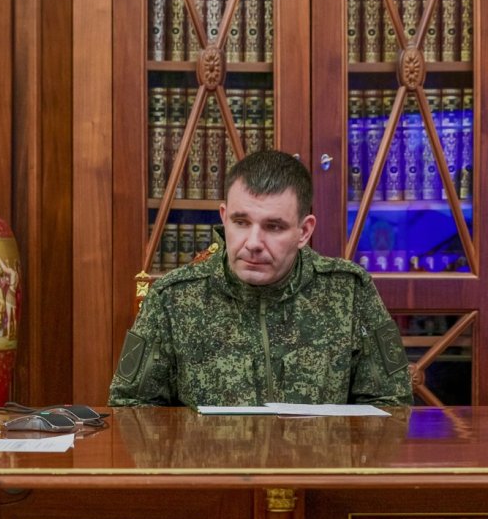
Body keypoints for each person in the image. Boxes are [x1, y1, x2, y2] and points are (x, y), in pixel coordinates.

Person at [109, 150, 413, 408]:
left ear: (304, 231)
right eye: (241, 222)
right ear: (224, 217)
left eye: (274, 227)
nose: (253, 242)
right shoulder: (172, 298)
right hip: (210, 461)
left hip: (318, 461)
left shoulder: (349, 291)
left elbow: (392, 403)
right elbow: (130, 407)